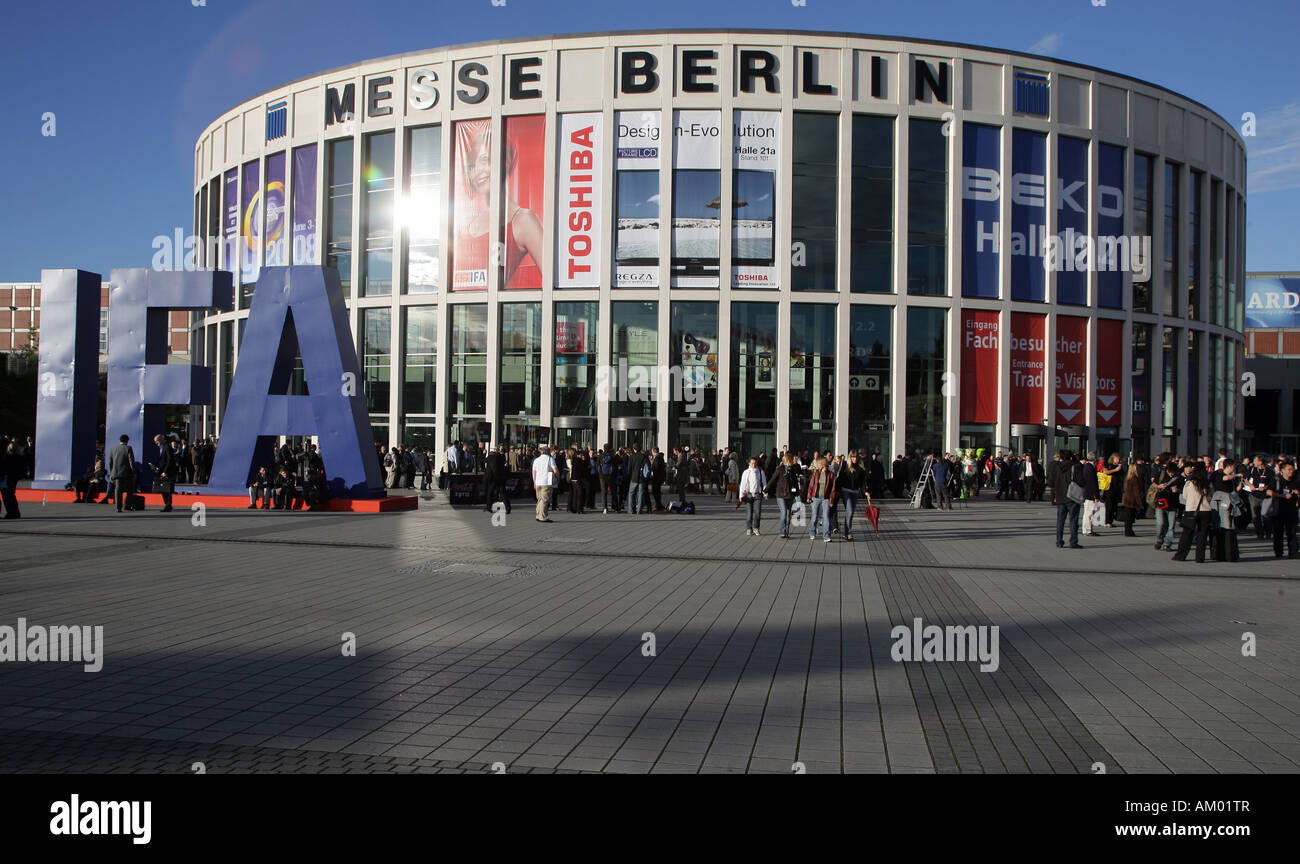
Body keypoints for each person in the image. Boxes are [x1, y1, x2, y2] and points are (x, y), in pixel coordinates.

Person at [1172, 463, 1212, 563]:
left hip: (1191, 510)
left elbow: (1185, 496)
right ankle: (1199, 557)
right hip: (1205, 511)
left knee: (1187, 534)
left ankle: (1181, 555)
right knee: (1202, 535)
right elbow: (1211, 497)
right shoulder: (1208, 483)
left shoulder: (1189, 483)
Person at [1046, 450, 1084, 549]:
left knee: (1060, 520)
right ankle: (1073, 541)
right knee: (1073, 520)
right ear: (1071, 457)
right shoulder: (1075, 466)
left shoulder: (1056, 467)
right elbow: (1081, 481)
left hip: (1059, 496)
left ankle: (1059, 541)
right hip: (1072, 496)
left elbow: (1050, 482)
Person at [1265, 460, 1299, 559]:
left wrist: (1297, 493)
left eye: (1292, 469)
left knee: (1292, 532)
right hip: (1278, 510)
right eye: (1288, 469)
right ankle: (1278, 552)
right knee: (1278, 532)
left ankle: (1293, 552)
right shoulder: (1276, 480)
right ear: (1283, 470)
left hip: (1292, 511)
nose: (1291, 471)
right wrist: (1282, 495)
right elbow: (1269, 492)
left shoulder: (1296, 481)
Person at [764, 452, 798, 539]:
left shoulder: (792, 470)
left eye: (791, 461)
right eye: (790, 461)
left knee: (788, 514)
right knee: (784, 513)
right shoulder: (780, 469)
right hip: (781, 494)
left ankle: (786, 532)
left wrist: (797, 492)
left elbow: (795, 482)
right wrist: (765, 490)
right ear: (786, 461)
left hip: (790, 494)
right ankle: (781, 532)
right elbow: (772, 480)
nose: (791, 463)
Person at [804, 457, 838, 543]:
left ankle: (826, 536)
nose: (817, 465)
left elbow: (833, 489)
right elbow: (811, 485)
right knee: (814, 516)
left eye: (818, 464)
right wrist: (809, 496)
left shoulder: (831, 474)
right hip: (816, 497)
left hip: (826, 498)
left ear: (822, 464)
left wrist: (831, 500)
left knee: (826, 516)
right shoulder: (816, 473)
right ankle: (812, 532)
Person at [839, 452, 866, 540]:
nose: (854, 459)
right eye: (852, 457)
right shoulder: (845, 466)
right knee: (849, 511)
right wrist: (837, 490)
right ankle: (849, 533)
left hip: (855, 492)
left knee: (850, 513)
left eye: (856, 457)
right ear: (850, 458)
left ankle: (846, 533)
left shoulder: (860, 468)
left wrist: (865, 492)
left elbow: (862, 482)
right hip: (846, 491)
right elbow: (840, 478)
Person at [108, 434, 137, 513]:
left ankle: (118, 507)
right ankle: (127, 505)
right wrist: (134, 472)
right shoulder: (128, 448)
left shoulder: (113, 449)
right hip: (126, 473)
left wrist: (111, 473)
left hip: (116, 473)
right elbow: (131, 461)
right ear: (127, 440)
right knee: (130, 489)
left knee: (118, 490)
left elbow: (110, 462)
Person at [739, 455, 767, 536]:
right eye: (752, 463)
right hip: (748, 495)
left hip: (758, 495)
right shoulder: (746, 472)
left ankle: (756, 528)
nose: (753, 465)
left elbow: (764, 483)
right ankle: (749, 528)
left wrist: (765, 493)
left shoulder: (760, 472)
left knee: (757, 513)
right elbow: (742, 485)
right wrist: (741, 496)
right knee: (749, 513)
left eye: (755, 463)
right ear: (749, 463)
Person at [483, 444, 511, 514]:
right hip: (500, 477)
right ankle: (508, 508)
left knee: (490, 492)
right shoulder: (502, 457)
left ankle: (489, 507)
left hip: (493, 478)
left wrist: (483, 454)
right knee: (503, 493)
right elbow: (504, 463)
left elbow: (482, 461)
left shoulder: (491, 457)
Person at [532, 444, 557, 522]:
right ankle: (543, 517)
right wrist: (557, 477)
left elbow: (534, 472)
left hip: (538, 481)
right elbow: (555, 470)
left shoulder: (536, 460)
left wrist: (534, 482)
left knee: (539, 499)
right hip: (546, 481)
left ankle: (538, 515)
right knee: (545, 500)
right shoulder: (550, 459)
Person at [153, 434, 178, 512]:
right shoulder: (162, 447)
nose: (156, 443)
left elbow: (170, 459)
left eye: (156, 441)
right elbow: (162, 460)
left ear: (160, 439)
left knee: (167, 489)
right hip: (162, 470)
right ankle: (168, 505)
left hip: (168, 471)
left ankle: (168, 505)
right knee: (164, 489)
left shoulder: (167, 446)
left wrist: (165, 471)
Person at [1119, 463, 1143, 537]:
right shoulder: (1134, 478)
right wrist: (1140, 503)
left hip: (1127, 499)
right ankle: (1129, 531)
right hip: (1132, 499)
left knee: (1128, 516)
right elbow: (1136, 492)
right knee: (1130, 516)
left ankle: (1127, 530)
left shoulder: (1127, 478)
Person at [625, 444, 648, 515]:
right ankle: (639, 510)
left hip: (634, 477)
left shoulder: (631, 457)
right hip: (642, 478)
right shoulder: (644, 456)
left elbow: (629, 469)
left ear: (634, 449)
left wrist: (629, 476)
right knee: (640, 494)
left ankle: (631, 510)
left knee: (631, 493)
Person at [568, 447, 589, 515]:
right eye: (581, 455)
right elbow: (582, 470)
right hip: (578, 479)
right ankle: (579, 508)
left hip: (573, 478)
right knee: (580, 494)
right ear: (579, 455)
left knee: (575, 494)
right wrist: (585, 463)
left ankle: (574, 508)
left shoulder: (573, 460)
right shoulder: (579, 460)